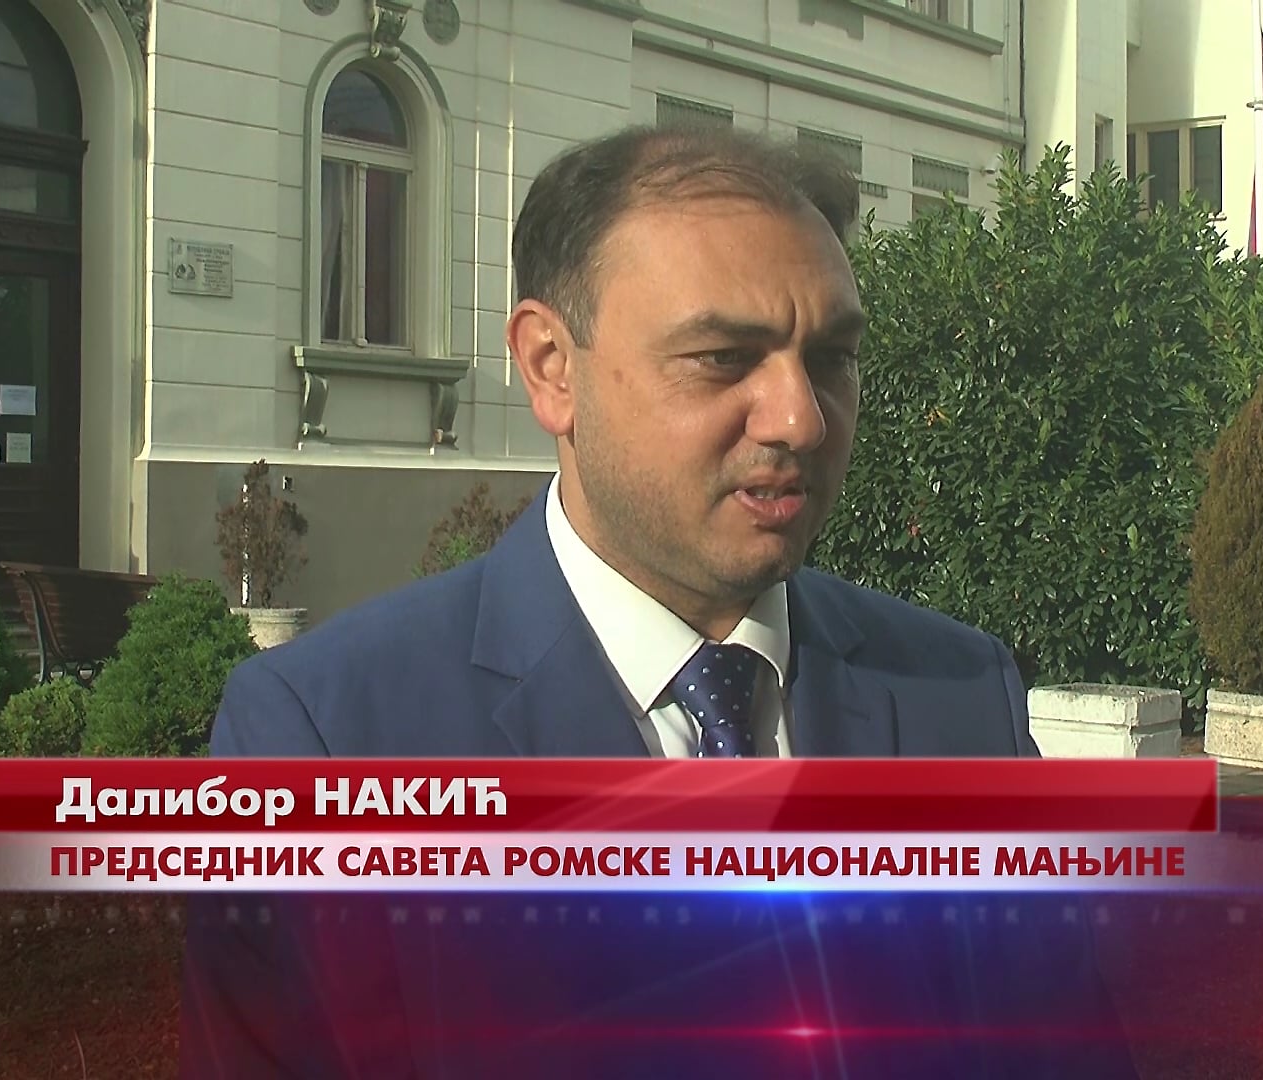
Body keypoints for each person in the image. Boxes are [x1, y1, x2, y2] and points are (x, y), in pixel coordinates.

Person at [180, 126, 1137, 1077]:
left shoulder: (958, 699)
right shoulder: (328, 741)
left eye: (831, 357)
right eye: (723, 357)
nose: (801, 418)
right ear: (551, 366)